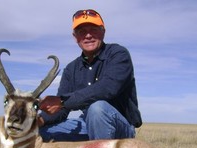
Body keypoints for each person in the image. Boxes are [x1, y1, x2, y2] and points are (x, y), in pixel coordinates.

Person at [38, 9, 142, 141]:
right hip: (86, 125)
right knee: (39, 133)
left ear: (103, 32)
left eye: (93, 30)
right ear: (75, 37)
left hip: (121, 128)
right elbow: (61, 109)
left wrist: (62, 101)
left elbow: (107, 89)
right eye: (82, 32)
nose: (88, 36)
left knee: (97, 109)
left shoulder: (118, 54)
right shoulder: (71, 69)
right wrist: (39, 120)